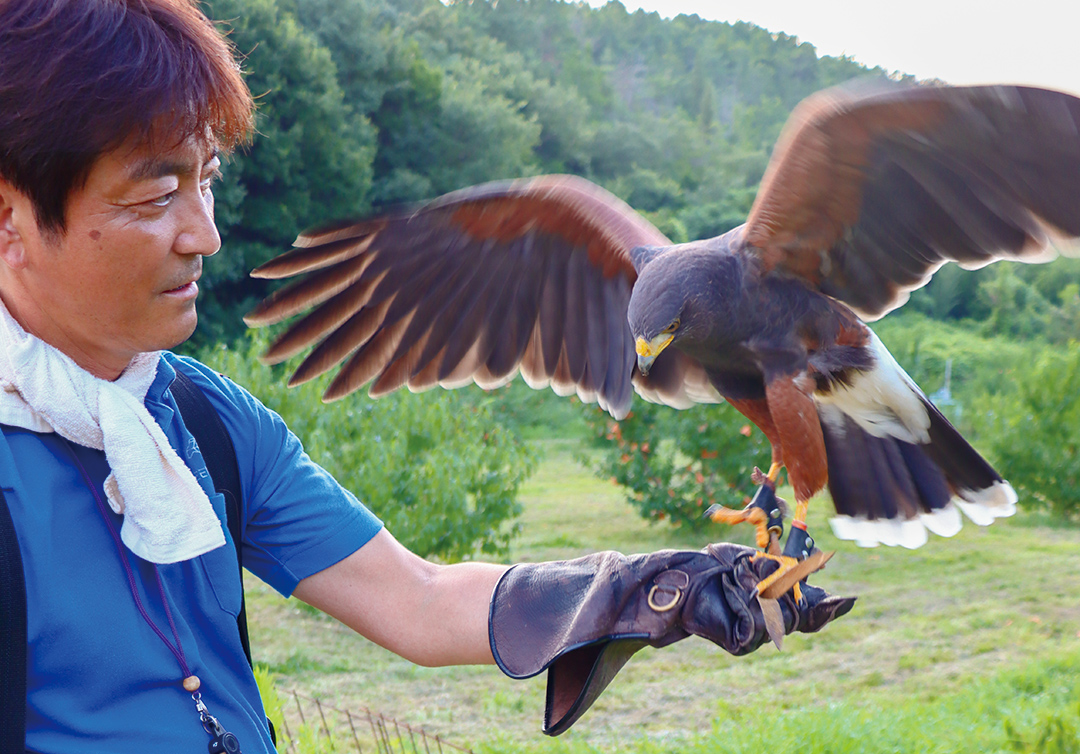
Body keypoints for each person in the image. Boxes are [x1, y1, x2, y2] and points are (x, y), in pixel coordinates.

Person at [0, 1, 851, 751]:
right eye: (154, 199)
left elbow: (418, 597)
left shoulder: (207, 425)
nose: (204, 234)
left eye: (208, 182)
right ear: (11, 218)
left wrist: (649, 591)